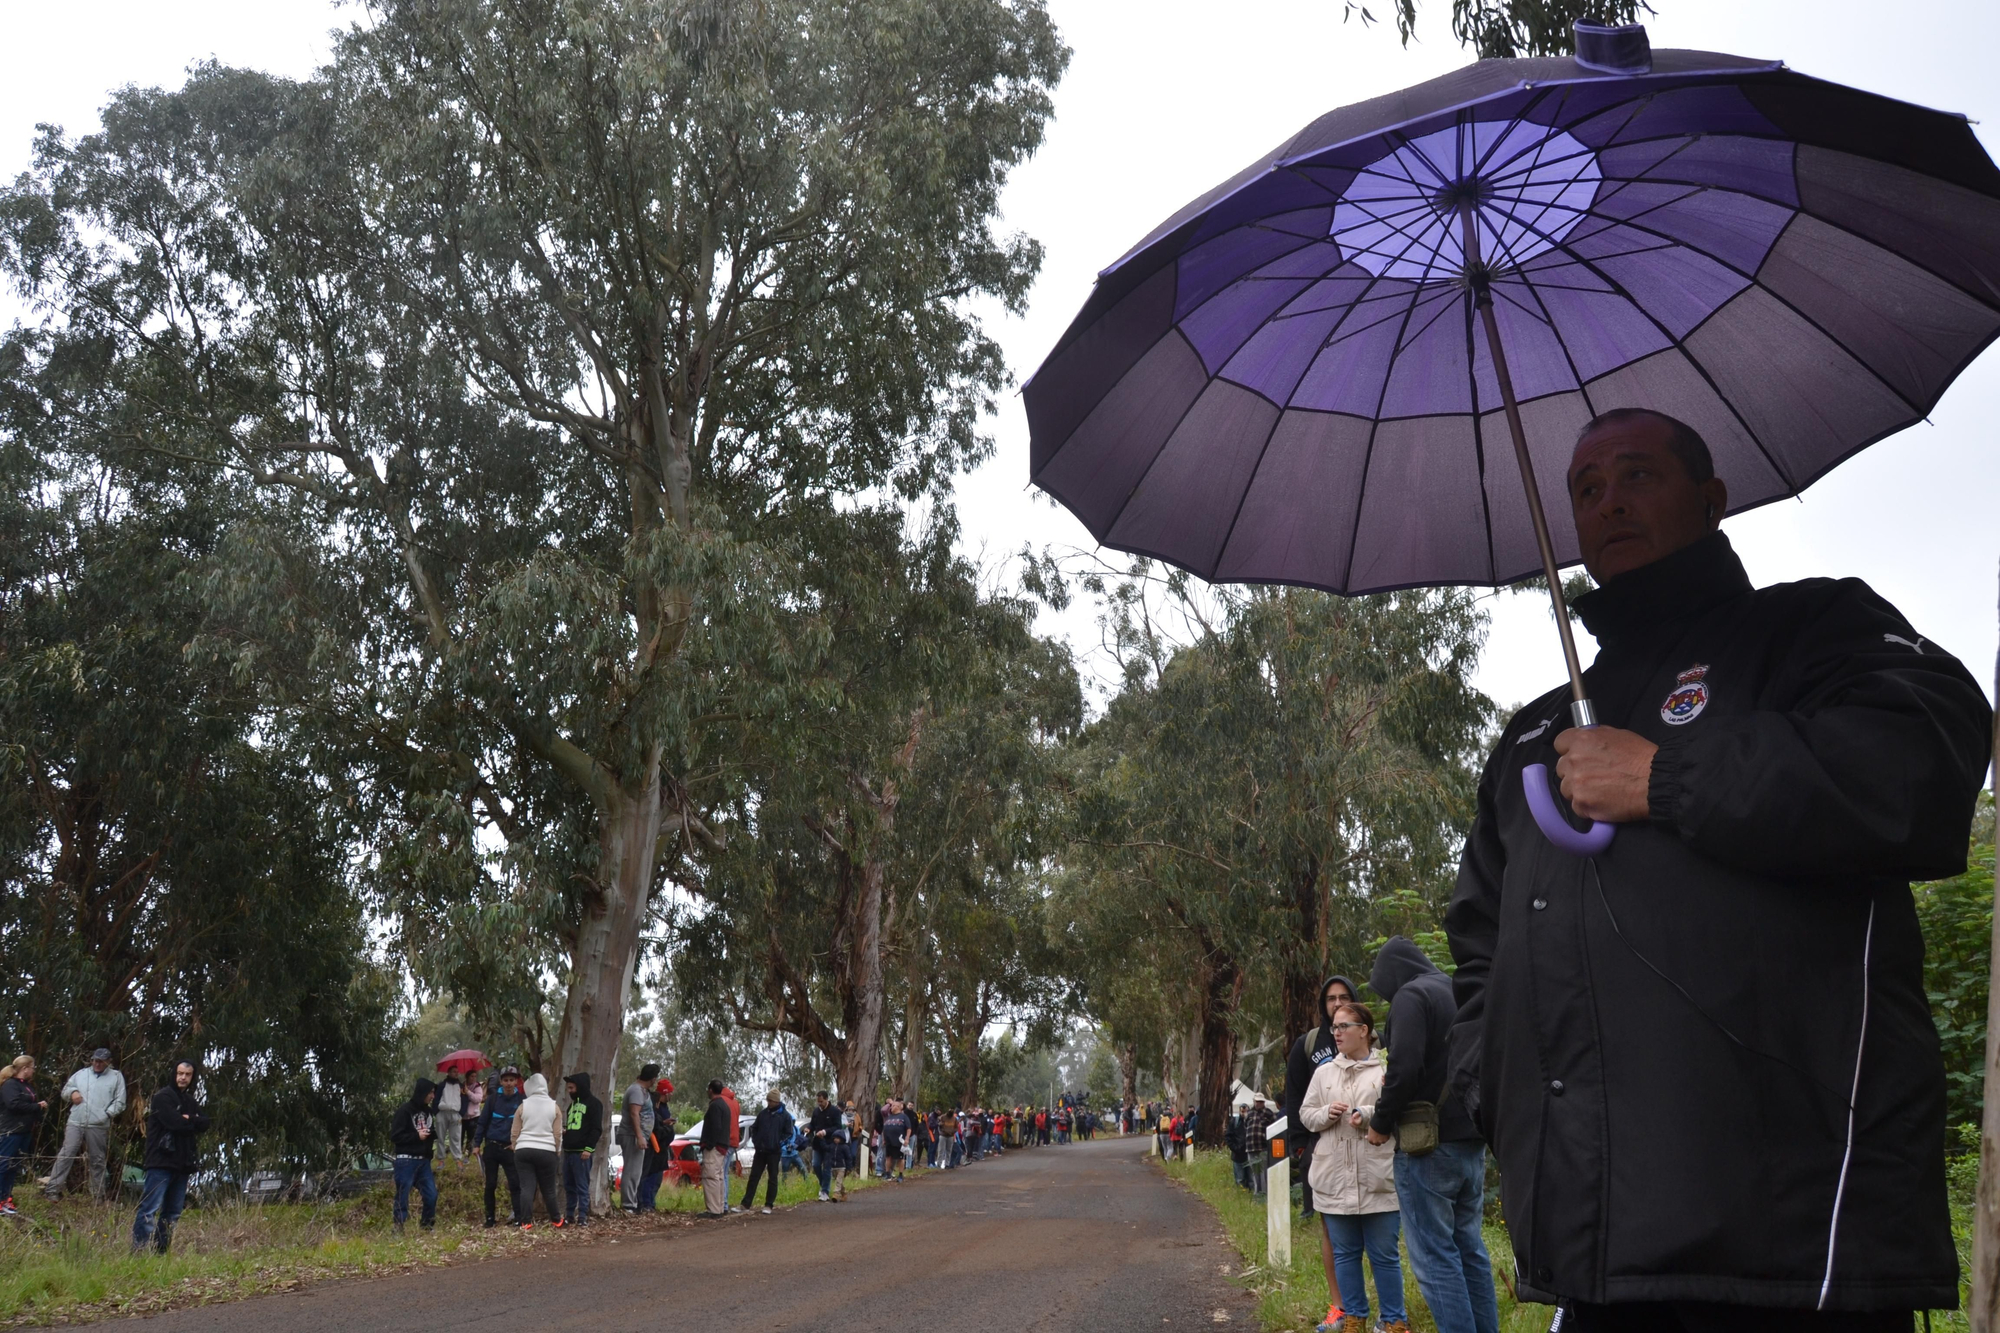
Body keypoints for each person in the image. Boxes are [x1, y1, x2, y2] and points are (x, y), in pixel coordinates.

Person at [1446, 408, 1993, 1332]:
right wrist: (1490, 1087)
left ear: (1710, 498)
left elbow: (1923, 761)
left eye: (1637, 475)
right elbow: (1480, 946)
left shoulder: (1814, 628)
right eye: (1586, 489)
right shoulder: (1537, 732)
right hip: (1593, 1256)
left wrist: (1665, 779)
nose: (1609, 502)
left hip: (1797, 1251)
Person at [1368, 938, 1496, 1333]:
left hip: (1428, 1146)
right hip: (1472, 1140)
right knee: (1469, 1249)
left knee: (1435, 1257)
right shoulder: (1457, 991)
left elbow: (1404, 1068)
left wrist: (1380, 1123)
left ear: (1392, 974)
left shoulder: (1412, 995)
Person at [1300, 1001, 1407, 1333]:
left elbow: (1399, 1111)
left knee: (1384, 1255)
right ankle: (1354, 1318)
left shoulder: (1384, 1070)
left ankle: (1393, 1321)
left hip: (1378, 1177)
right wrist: (1326, 1114)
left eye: (1344, 1026)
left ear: (1364, 1031)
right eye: (1334, 1027)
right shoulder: (1323, 1073)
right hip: (1334, 1178)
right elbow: (1306, 1115)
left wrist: (1370, 1115)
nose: (1337, 1032)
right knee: (1345, 1253)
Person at [1285, 975, 1361, 1332]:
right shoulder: (1309, 1044)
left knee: (1376, 1234)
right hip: (1323, 1152)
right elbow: (1295, 1099)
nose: (1337, 1003)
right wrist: (1301, 1147)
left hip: (1367, 1151)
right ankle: (1340, 1306)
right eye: (1331, 998)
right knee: (1331, 1230)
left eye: (1344, 997)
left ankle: (1384, 1311)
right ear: (1323, 1004)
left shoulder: (1373, 1040)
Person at [132, 1060, 208, 1253]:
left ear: (192, 1077)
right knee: (149, 1209)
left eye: (187, 1074)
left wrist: (190, 1118)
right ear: (174, 1074)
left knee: (172, 1213)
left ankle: (160, 1252)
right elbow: (175, 1123)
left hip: (182, 1164)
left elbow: (205, 1123)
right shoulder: (162, 1097)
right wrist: (192, 1122)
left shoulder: (190, 1101)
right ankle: (139, 1251)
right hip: (160, 1163)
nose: (183, 1078)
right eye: (180, 1073)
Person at [41, 1048, 125, 1203]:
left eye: (101, 1061)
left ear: (108, 1062)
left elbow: (120, 1102)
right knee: (66, 1154)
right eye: (95, 1060)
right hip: (76, 1121)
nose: (97, 1064)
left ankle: (98, 1196)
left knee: (97, 1159)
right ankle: (52, 1190)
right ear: (92, 1060)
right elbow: (65, 1091)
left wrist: (106, 1114)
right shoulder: (81, 1074)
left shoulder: (116, 1077)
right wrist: (72, 1092)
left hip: (98, 1124)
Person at [510, 1072, 563, 1228]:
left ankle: (526, 1221)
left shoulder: (523, 1106)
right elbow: (558, 1133)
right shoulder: (554, 1107)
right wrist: (557, 1150)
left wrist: (515, 1146)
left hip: (524, 1149)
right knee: (549, 1189)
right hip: (547, 1150)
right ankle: (556, 1220)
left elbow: (515, 1131)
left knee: (526, 1188)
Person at [388, 1077, 440, 1233]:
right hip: (406, 1161)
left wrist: (432, 1135)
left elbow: (428, 1133)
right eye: (430, 1093)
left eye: (434, 1093)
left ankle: (427, 1225)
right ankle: (398, 1226)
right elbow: (395, 1136)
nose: (432, 1096)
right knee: (403, 1194)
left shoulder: (428, 1112)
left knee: (431, 1194)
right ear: (422, 1092)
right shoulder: (404, 1111)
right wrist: (416, 1136)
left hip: (423, 1161)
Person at [0, 1055, 48, 1217]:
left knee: (13, 1166)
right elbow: (13, 1104)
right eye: (32, 1067)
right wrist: (36, 1106)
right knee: (4, 1165)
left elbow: (28, 1104)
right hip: (11, 1131)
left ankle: (6, 1199)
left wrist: (38, 1109)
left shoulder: (26, 1085)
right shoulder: (10, 1085)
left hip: (24, 1131)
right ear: (25, 1068)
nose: (33, 1071)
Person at [480, 1065, 524, 1227]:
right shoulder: (492, 1099)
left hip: (510, 1148)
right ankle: (489, 1219)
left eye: (511, 1080)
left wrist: (518, 1143)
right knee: (491, 1184)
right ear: (501, 1081)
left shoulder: (522, 1100)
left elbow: (526, 1124)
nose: (508, 1083)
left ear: (516, 1081)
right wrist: (476, 1144)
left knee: (515, 1183)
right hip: (492, 1146)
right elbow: (482, 1122)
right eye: (505, 1080)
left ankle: (519, 1217)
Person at [559, 1072, 601, 1226]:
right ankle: (569, 1215)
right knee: (569, 1185)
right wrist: (566, 1132)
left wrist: (588, 1148)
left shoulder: (594, 1104)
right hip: (568, 1152)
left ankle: (582, 1216)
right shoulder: (571, 1106)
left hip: (581, 1153)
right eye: (568, 1088)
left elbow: (596, 1129)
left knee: (582, 1185)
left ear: (580, 1087)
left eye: (572, 1088)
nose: (569, 1091)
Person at [743, 1088, 794, 1213]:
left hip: (774, 1152)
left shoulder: (785, 1116)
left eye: (771, 1101)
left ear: (776, 1101)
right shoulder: (763, 1114)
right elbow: (754, 1128)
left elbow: (789, 1133)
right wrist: (756, 1141)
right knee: (754, 1177)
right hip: (760, 1151)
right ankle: (745, 1204)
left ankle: (769, 1205)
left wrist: (778, 1143)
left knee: (772, 1178)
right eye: (768, 1100)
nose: (768, 1103)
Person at [620, 1063, 658, 1214]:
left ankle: (632, 1202)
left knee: (636, 1171)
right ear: (652, 1079)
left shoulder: (642, 1091)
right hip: (632, 1135)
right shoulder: (636, 1090)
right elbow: (634, 1113)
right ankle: (628, 1205)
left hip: (639, 1136)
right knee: (631, 1170)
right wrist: (639, 1136)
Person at [636, 1077, 676, 1212]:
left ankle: (651, 1203)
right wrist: (666, 1127)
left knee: (657, 1179)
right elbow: (655, 1127)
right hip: (654, 1147)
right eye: (670, 1092)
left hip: (662, 1148)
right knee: (651, 1178)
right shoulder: (653, 1108)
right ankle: (646, 1203)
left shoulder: (663, 1107)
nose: (671, 1095)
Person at [698, 1079, 732, 1217]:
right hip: (722, 1146)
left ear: (711, 1090)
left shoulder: (715, 1106)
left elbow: (716, 1127)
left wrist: (709, 1145)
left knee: (711, 1177)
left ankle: (713, 1210)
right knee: (718, 1177)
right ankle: (719, 1208)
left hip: (714, 1147)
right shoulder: (725, 1105)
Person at [807, 1090, 841, 1202]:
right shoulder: (816, 1111)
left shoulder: (835, 1111)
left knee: (827, 1168)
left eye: (821, 1101)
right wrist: (809, 1128)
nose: (819, 1104)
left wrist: (825, 1132)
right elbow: (812, 1124)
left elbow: (838, 1127)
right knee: (815, 1165)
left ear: (826, 1099)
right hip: (817, 1144)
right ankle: (824, 1186)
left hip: (829, 1143)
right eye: (818, 1102)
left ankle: (825, 1192)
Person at [1243, 1092, 1276, 1195]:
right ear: (1254, 1101)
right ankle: (1257, 1194)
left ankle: (1265, 1194)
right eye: (1257, 1101)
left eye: (1261, 1102)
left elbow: (1274, 1128)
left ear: (1264, 1102)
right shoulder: (1249, 1113)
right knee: (1255, 1172)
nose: (1259, 1103)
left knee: (1264, 1172)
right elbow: (1245, 1126)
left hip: (1263, 1147)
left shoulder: (1269, 1113)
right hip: (1251, 1147)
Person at [435, 1071, 465, 1164]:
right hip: (442, 1112)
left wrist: (461, 1113)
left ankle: (457, 1158)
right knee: (440, 1136)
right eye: (454, 1071)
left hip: (456, 1113)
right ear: (449, 1073)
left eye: (457, 1071)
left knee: (456, 1136)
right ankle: (441, 1158)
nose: (456, 1073)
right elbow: (436, 1098)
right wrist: (436, 1112)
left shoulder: (461, 1086)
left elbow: (464, 1099)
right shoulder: (442, 1085)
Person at [880, 1097, 911, 1181]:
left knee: (900, 1158)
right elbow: (884, 1129)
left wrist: (907, 1139)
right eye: (891, 1106)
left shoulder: (904, 1117)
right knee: (888, 1157)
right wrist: (884, 1139)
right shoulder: (889, 1117)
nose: (891, 1107)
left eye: (893, 1106)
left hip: (899, 1141)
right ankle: (888, 1174)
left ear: (898, 1107)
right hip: (889, 1141)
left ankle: (900, 1175)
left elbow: (908, 1129)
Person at [1226, 1101, 1250, 1189]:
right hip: (1237, 1155)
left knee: (1251, 1179)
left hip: (1250, 1154)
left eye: (1245, 1111)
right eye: (1242, 1111)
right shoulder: (1234, 1122)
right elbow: (1228, 1136)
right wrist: (1235, 1148)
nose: (1244, 1113)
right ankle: (1241, 1194)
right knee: (1240, 1180)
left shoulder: (1251, 1121)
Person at [463, 1072, 486, 1155]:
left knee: (471, 1137)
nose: (473, 1078)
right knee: (460, 1136)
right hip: (462, 1116)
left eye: (475, 1076)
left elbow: (478, 1099)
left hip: (474, 1116)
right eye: (471, 1076)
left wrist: (468, 1092)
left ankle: (468, 1153)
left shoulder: (477, 1086)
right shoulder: (462, 1085)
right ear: (467, 1077)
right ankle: (458, 1154)